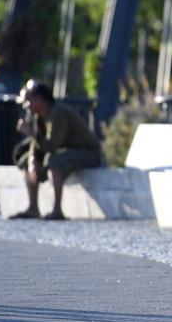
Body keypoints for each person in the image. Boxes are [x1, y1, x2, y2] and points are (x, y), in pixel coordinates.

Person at [9, 79, 103, 220]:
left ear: (40, 99)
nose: (25, 105)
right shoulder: (38, 117)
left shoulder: (58, 112)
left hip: (90, 153)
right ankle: (33, 208)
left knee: (54, 161)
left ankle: (57, 210)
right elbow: (37, 146)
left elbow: (52, 146)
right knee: (26, 161)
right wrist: (33, 159)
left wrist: (32, 134)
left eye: (28, 101)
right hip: (68, 153)